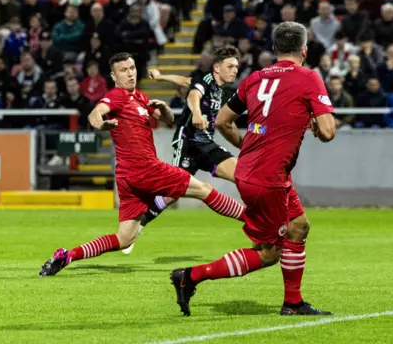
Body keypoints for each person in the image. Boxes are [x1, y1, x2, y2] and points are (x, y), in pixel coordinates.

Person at [170, 22, 336, 317]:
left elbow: (221, 121)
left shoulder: (254, 79)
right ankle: (191, 276)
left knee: (299, 226)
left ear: (274, 50)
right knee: (269, 252)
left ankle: (293, 303)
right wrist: (315, 124)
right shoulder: (309, 78)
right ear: (305, 50)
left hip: (258, 172)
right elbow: (328, 132)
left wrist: (248, 147)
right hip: (268, 179)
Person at [39, 53, 246, 277]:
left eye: (132, 68)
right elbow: (95, 114)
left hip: (128, 177)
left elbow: (168, 120)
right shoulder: (117, 95)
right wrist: (101, 125)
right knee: (203, 190)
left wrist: (164, 108)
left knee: (124, 238)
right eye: (123, 70)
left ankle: (67, 255)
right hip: (144, 168)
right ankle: (255, 221)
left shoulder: (139, 97)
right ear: (113, 75)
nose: (130, 73)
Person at [121, 46, 244, 254]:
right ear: (216, 68)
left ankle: (261, 222)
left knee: (243, 174)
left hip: (206, 144)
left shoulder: (218, 87)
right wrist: (196, 113)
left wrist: (161, 77)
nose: (234, 70)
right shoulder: (206, 80)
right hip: (187, 142)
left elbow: (186, 82)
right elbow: (193, 95)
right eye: (230, 66)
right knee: (171, 193)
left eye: (236, 67)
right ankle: (139, 224)